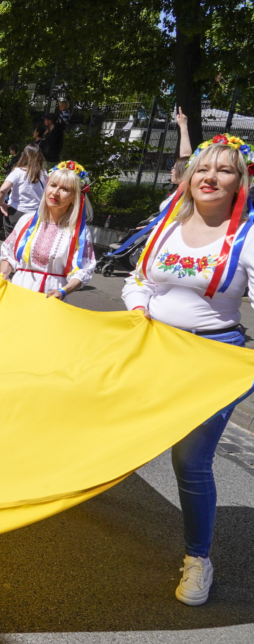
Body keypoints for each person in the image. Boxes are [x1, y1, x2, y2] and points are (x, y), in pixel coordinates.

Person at [122, 136, 254, 607]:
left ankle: (198, 558)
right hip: (153, 347)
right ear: (190, 176)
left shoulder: (249, 235)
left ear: (241, 182)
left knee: (190, 462)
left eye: (224, 171)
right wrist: (139, 310)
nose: (211, 178)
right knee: (111, 428)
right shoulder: (168, 224)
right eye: (203, 169)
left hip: (211, 360)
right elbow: (137, 279)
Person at [0, 160, 95, 298]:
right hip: (17, 293)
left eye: (65, 189)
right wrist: (4, 275)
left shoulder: (78, 232)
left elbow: (83, 269)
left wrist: (64, 291)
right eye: (53, 185)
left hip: (51, 299)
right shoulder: (27, 221)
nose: (55, 192)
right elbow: (8, 254)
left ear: (75, 197)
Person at [0, 143, 47, 238]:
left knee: (10, 243)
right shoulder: (44, 173)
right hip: (36, 215)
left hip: (16, 212)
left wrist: (2, 204)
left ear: (24, 155)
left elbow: (3, 190)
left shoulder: (18, 172)